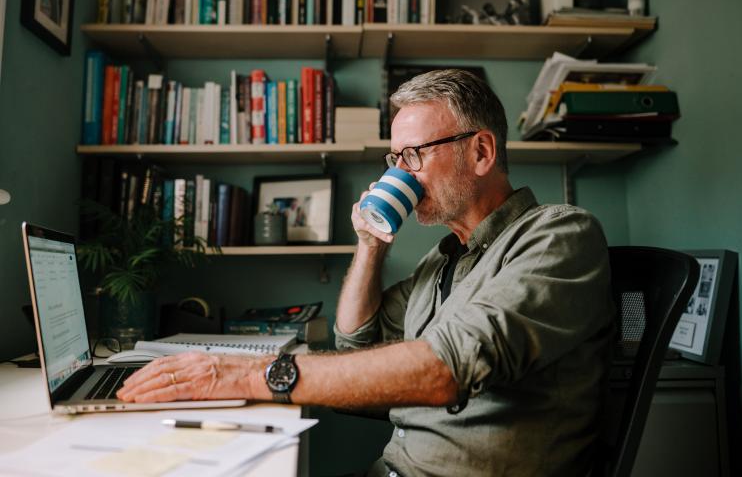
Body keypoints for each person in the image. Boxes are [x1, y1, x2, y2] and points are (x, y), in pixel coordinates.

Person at [117, 69, 615, 476]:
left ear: (481, 152)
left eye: (413, 155)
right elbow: (355, 342)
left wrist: (249, 375)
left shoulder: (558, 236)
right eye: (394, 158)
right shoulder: (442, 260)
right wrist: (370, 245)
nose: (398, 174)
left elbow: (447, 368)